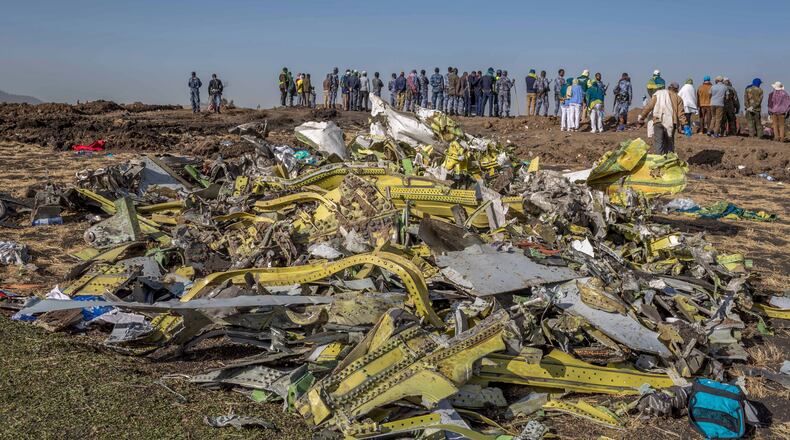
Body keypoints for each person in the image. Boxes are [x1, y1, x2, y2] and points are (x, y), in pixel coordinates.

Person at [638, 82, 690, 154]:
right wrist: (685, 124)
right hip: (671, 123)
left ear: (669, 87)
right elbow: (681, 114)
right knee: (669, 144)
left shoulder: (659, 94)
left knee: (659, 143)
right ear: (677, 90)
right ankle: (669, 161)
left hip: (658, 121)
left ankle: (659, 161)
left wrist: (642, 117)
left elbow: (649, 106)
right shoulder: (678, 98)